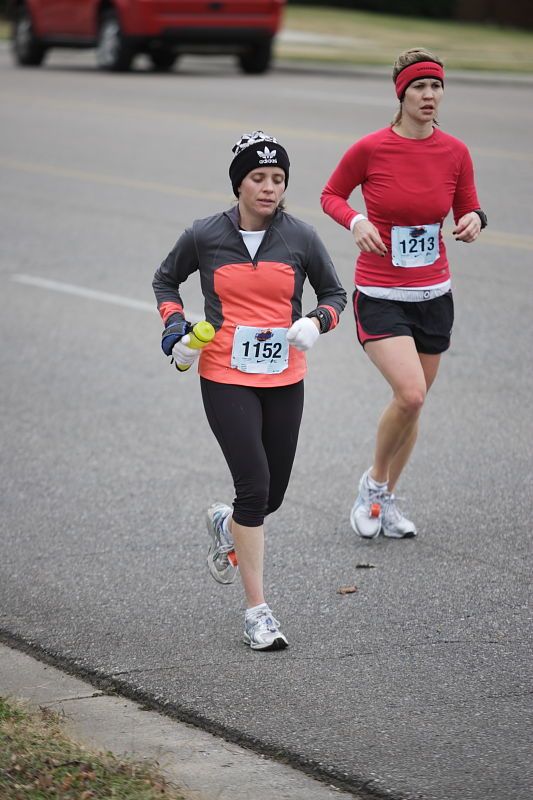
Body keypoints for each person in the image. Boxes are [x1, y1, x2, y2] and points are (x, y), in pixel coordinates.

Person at [153, 131, 346, 650]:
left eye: (278, 179)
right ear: (239, 182)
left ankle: (226, 522)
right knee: (254, 485)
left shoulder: (301, 237)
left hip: (285, 376)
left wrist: (318, 320)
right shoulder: (204, 235)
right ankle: (258, 613)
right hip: (224, 373)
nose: (269, 187)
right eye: (258, 178)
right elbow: (165, 281)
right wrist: (175, 331)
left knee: (271, 495)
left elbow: (334, 292)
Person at [321, 48, 487, 540]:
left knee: (412, 402)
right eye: (420, 87)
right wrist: (356, 221)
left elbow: (470, 207)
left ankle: (387, 501)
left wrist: (474, 221)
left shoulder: (455, 151)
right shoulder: (372, 148)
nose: (430, 95)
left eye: (436, 86)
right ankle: (373, 486)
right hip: (381, 291)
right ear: (402, 93)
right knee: (411, 393)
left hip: (434, 292)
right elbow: (331, 194)